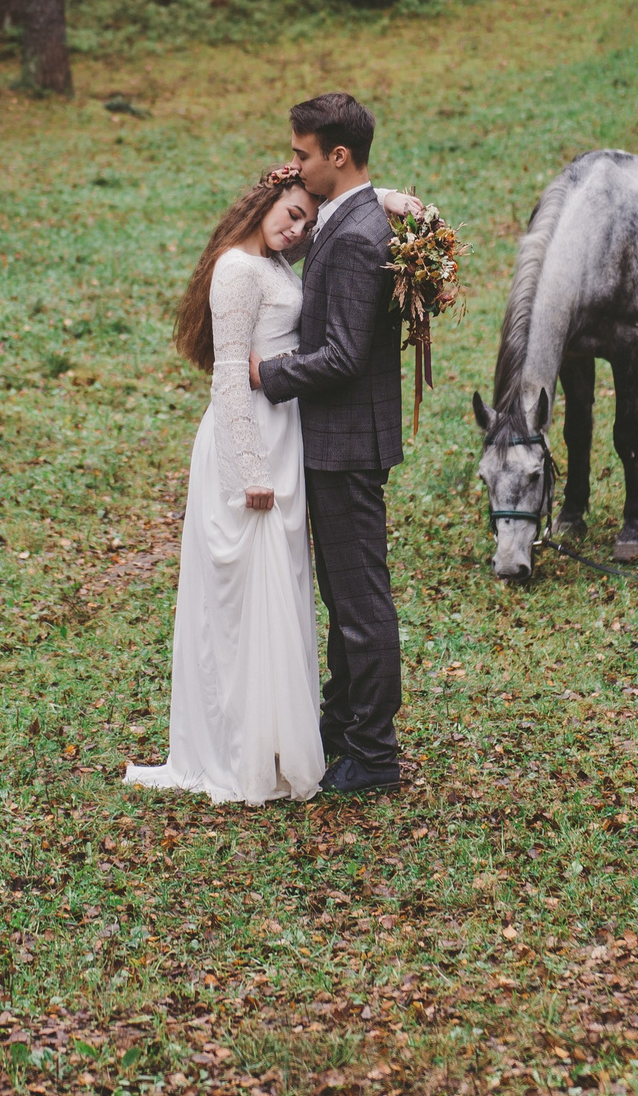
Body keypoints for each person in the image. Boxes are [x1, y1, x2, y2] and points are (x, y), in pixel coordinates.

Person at [124, 163, 423, 805]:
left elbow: (344, 234)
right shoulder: (236, 268)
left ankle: (281, 734)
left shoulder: (280, 260)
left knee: (281, 592)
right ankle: (242, 746)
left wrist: (385, 200)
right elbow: (231, 374)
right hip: (252, 440)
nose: (297, 230)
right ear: (264, 202)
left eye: (305, 221)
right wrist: (249, 469)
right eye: (290, 215)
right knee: (244, 596)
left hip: (289, 437)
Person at [255, 93, 408, 797]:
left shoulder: (353, 235)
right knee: (346, 600)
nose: (295, 163)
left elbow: (344, 355)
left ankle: (373, 750)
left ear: (337, 157)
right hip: (340, 441)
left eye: (303, 153)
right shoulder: (349, 219)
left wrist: (269, 374)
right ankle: (344, 725)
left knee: (360, 601)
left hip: (345, 444)